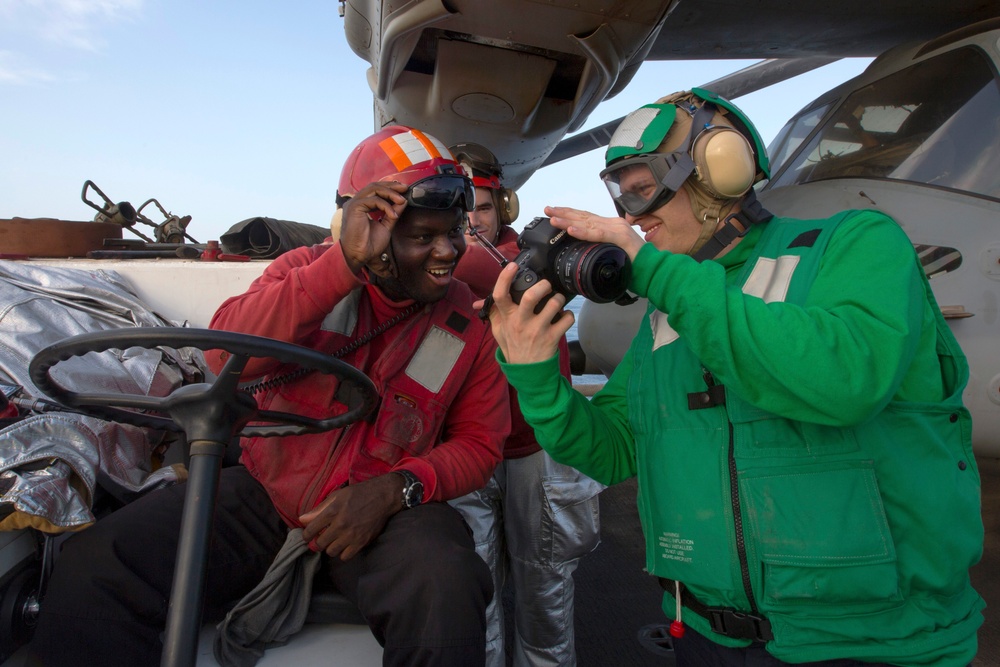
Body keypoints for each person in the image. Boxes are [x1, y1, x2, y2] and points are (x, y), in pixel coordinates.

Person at [482, 88, 985, 666]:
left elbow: (847, 381)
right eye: (620, 193)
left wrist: (658, 277)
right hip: (705, 635)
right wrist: (538, 377)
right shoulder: (670, 307)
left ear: (722, 169)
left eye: (643, 187)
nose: (630, 216)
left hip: (872, 645)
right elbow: (616, 452)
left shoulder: (855, 245)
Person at [25, 126, 509, 666]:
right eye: (423, 237)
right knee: (97, 565)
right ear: (367, 230)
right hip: (266, 493)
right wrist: (340, 268)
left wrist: (395, 491)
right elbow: (224, 355)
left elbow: (479, 444)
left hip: (388, 509)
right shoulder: (304, 274)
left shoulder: (470, 322)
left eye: (454, 233)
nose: (447, 253)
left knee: (445, 582)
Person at [448, 142, 603, 667]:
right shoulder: (433, 266)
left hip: (534, 449)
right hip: (467, 451)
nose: (471, 219)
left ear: (504, 209)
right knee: (476, 596)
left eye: (483, 207)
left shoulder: (538, 261)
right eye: (459, 205)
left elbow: (496, 270)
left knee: (545, 596)